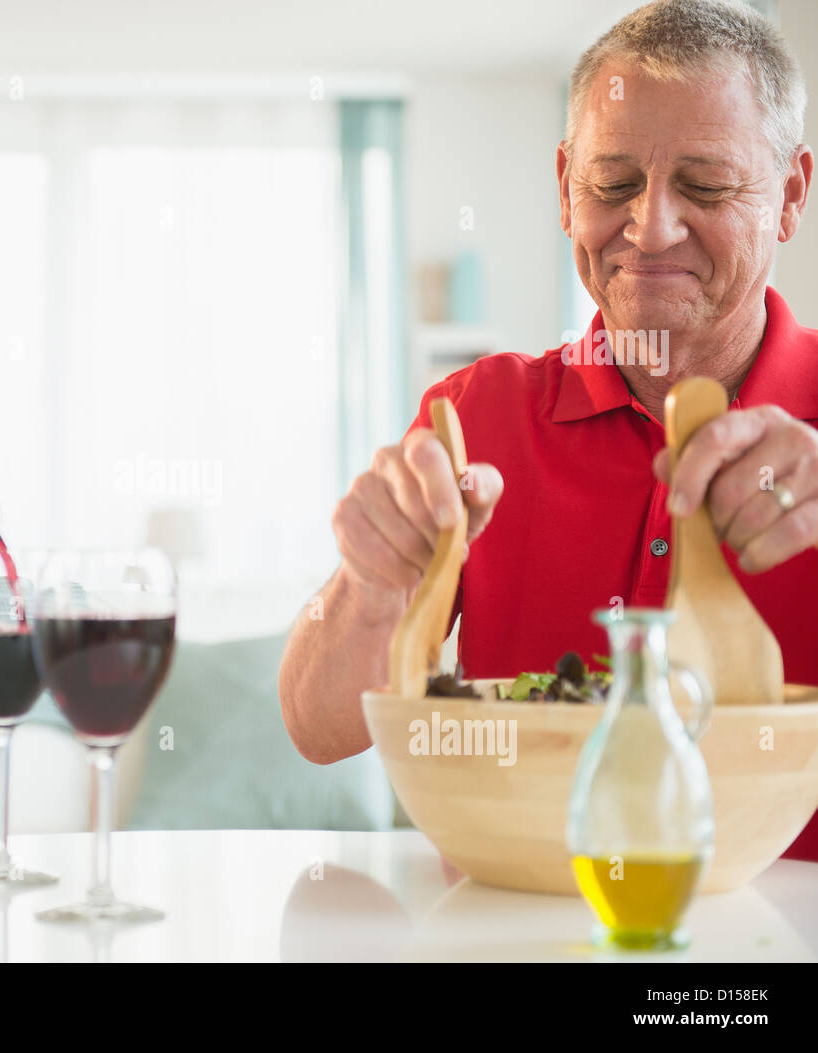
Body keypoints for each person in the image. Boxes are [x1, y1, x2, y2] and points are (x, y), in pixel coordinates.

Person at [279, 0, 818, 860]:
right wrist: (369, 583)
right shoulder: (477, 412)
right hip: (513, 929)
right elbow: (317, 724)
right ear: (566, 188)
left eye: (706, 186)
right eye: (612, 186)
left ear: (789, 196)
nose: (651, 228)